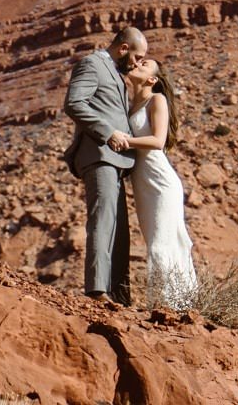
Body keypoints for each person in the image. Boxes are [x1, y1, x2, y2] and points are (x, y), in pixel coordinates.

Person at [63, 26, 146, 304]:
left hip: (116, 161)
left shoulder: (116, 72)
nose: (136, 63)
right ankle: (97, 291)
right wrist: (108, 132)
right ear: (123, 48)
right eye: (137, 57)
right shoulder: (92, 64)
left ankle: (121, 296)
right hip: (99, 153)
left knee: (119, 228)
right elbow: (74, 103)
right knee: (102, 220)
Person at [123, 57, 198, 309]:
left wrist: (126, 140)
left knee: (161, 243)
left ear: (152, 79)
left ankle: (168, 307)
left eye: (144, 65)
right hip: (143, 183)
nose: (136, 64)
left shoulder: (157, 100)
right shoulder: (132, 103)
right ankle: (177, 303)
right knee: (159, 240)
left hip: (160, 181)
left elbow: (157, 140)